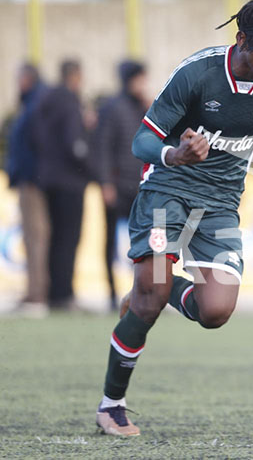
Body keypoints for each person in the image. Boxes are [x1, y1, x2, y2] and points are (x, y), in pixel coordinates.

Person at [95, 0, 253, 436]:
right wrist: (174, 155)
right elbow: (141, 141)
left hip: (220, 203)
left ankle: (148, 293)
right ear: (243, 41)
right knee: (151, 296)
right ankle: (111, 406)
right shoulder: (198, 74)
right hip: (166, 190)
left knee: (214, 311)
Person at [33, 59, 90, 310]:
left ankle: (55, 292)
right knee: (68, 238)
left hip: (49, 178)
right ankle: (63, 293)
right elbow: (75, 144)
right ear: (75, 75)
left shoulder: (45, 100)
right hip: (69, 181)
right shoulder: (69, 101)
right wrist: (94, 170)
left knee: (56, 238)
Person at [94, 60, 149, 310]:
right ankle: (111, 294)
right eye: (139, 78)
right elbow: (102, 148)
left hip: (142, 185)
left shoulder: (145, 107)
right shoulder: (112, 108)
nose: (143, 84)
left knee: (149, 241)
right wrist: (106, 183)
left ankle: (147, 292)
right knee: (110, 242)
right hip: (117, 185)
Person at [7, 63, 50, 316]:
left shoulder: (35, 105)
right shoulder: (33, 103)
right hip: (30, 179)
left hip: (32, 181)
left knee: (35, 237)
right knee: (32, 236)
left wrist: (32, 175)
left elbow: (37, 144)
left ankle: (37, 294)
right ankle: (34, 291)